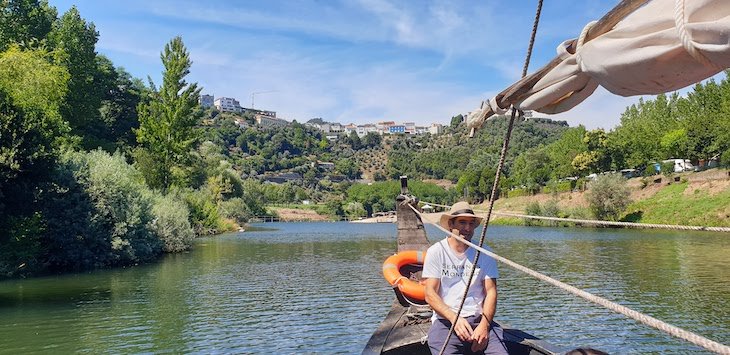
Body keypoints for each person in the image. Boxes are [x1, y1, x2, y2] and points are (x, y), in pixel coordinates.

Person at [423, 201, 507, 355]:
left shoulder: (485, 252)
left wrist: (484, 325)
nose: (467, 228)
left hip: (479, 319)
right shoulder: (436, 252)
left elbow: (491, 292)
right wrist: (454, 318)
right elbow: (430, 294)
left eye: (471, 223)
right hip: (446, 321)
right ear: (450, 224)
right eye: (462, 222)